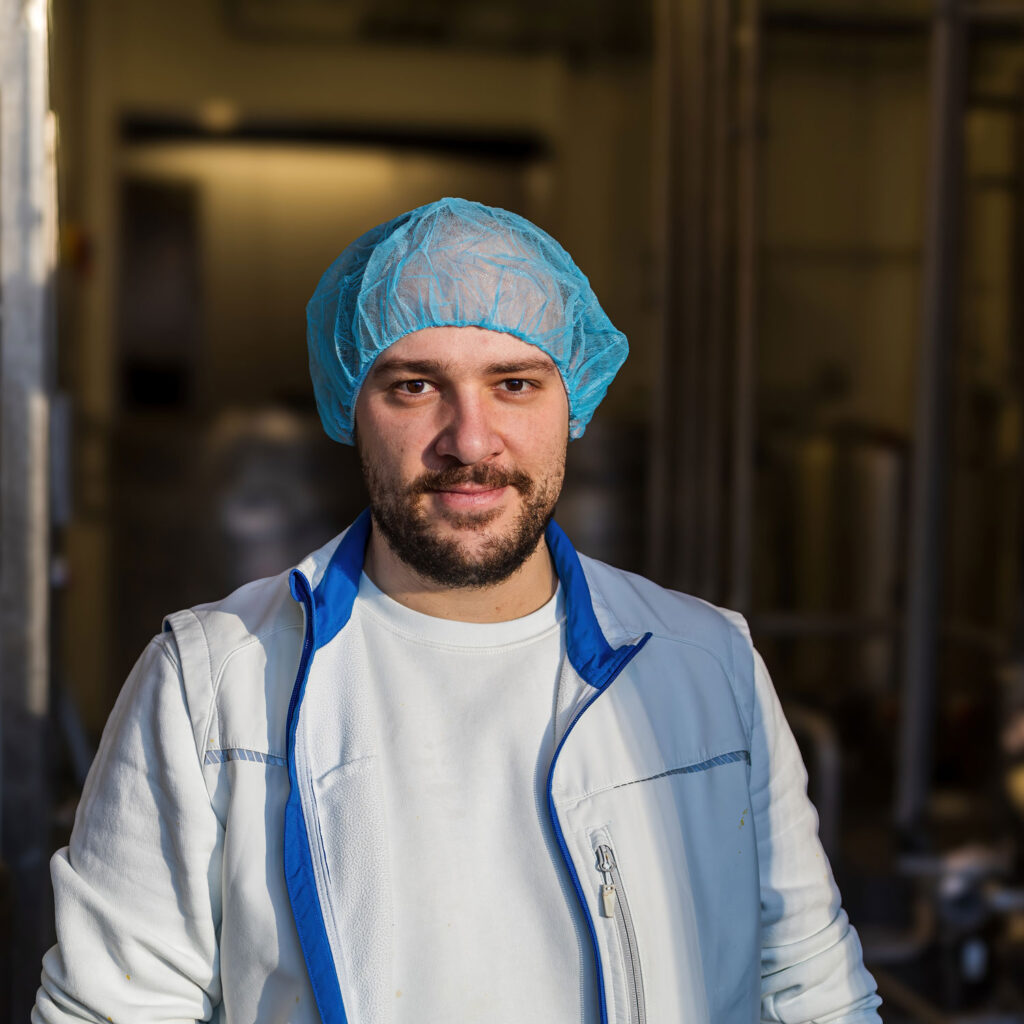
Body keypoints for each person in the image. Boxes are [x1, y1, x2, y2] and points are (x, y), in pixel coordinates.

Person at [35, 197, 882, 1023]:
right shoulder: (209, 682)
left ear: (571, 401)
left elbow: (810, 993)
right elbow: (114, 1008)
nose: (470, 440)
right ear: (350, 409)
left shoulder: (706, 664)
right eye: (414, 387)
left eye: (514, 383)